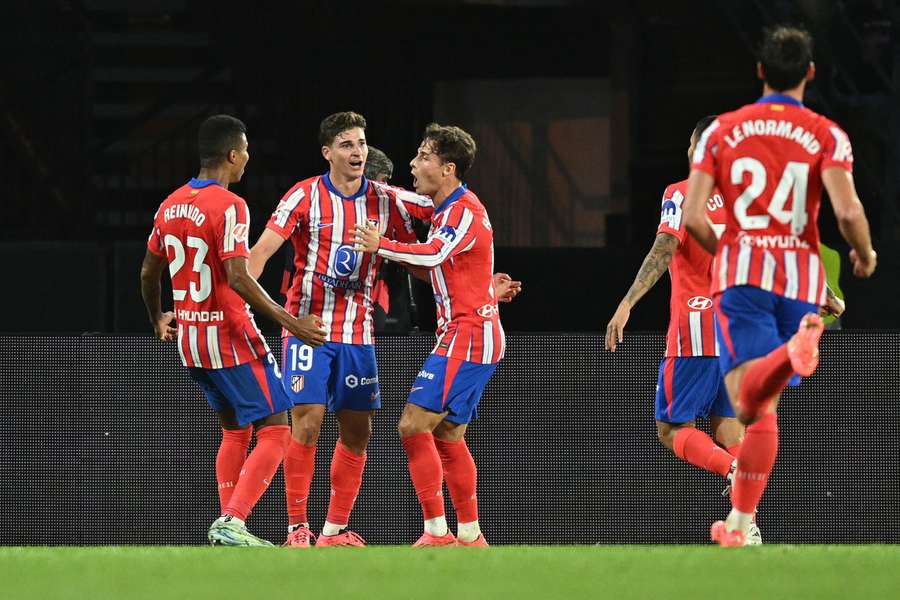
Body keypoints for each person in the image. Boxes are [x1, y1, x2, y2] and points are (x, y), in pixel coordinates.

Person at [683, 26, 877, 547]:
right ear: (810, 73)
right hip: (800, 279)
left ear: (761, 72)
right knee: (763, 408)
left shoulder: (722, 131)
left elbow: (695, 214)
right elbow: (849, 209)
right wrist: (865, 251)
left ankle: (792, 353)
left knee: (747, 402)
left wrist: (730, 251)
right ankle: (742, 527)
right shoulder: (827, 133)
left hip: (744, 276)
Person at [248, 112, 437, 547]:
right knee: (308, 421)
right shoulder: (303, 196)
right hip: (307, 328)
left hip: (357, 333)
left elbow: (415, 259)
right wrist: (254, 310)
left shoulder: (385, 201)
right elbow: (257, 256)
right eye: (347, 144)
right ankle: (297, 528)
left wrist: (473, 285)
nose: (357, 152)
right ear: (327, 152)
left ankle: (333, 530)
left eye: (361, 143)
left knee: (358, 431)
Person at [139, 114, 327, 547]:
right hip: (229, 335)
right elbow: (239, 278)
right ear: (231, 154)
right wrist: (292, 322)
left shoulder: (169, 204)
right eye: (244, 150)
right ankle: (234, 521)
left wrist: (157, 317)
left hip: (189, 339)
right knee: (278, 427)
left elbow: (149, 272)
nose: (248, 157)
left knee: (235, 430)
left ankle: (227, 524)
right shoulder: (230, 205)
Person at [354, 123, 521, 547]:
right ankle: (470, 535)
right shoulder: (448, 206)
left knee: (412, 425)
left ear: (448, 169)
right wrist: (379, 189)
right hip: (475, 331)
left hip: (469, 334)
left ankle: (437, 532)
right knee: (447, 434)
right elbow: (418, 208)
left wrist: (380, 243)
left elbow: (434, 254)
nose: (414, 163)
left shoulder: (463, 210)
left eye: (423, 156)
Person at [606, 115, 764, 543]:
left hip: (695, 328)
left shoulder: (680, 193)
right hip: (738, 331)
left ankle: (732, 471)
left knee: (671, 428)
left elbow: (665, 245)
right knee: (729, 427)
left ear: (695, 149)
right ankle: (744, 525)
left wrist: (626, 303)